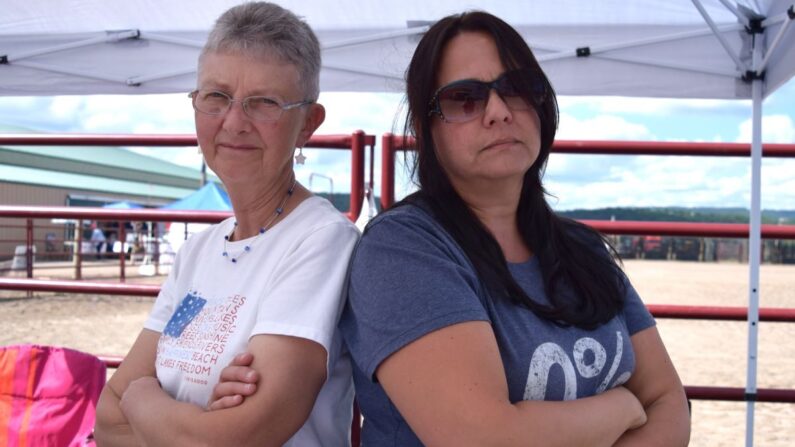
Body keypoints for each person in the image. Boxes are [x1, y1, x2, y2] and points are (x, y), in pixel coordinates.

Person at [337, 11, 691, 446]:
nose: (499, 112)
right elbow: (483, 438)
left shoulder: (582, 249)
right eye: (465, 98)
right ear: (424, 128)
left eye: (517, 88)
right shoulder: (404, 250)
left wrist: (637, 410)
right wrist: (621, 407)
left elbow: (667, 399)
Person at [94, 3, 359, 446]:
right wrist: (194, 425)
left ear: (307, 124)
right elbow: (105, 421)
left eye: (265, 103)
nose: (234, 122)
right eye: (216, 96)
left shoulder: (320, 240)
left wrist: (141, 398)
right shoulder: (197, 251)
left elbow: (233, 438)